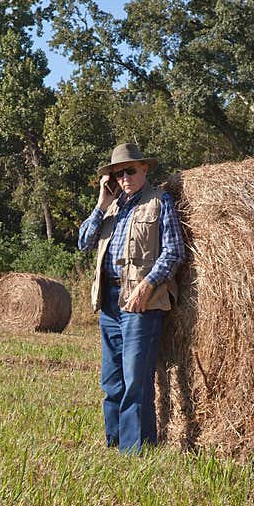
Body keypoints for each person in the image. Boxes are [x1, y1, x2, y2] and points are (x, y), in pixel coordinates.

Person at [78, 143, 185, 453]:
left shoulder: (159, 202)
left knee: (135, 380)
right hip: (109, 301)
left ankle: (135, 450)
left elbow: (174, 251)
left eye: (129, 171)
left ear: (144, 170)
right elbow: (84, 242)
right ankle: (113, 443)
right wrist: (101, 203)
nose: (123, 177)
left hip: (142, 301)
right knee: (111, 381)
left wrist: (148, 285)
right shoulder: (110, 208)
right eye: (117, 173)